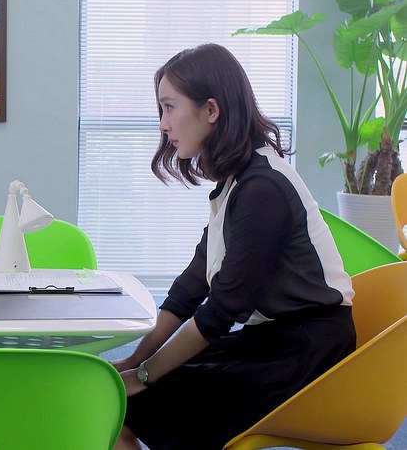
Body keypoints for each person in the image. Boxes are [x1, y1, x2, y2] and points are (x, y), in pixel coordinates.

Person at [111, 43, 356, 450]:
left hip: (304, 353)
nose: (163, 124)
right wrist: (136, 360)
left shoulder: (262, 189)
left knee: (120, 404)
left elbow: (221, 311)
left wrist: (143, 376)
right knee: (120, 396)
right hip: (275, 341)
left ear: (211, 110)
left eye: (169, 108)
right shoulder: (237, 180)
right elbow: (191, 288)